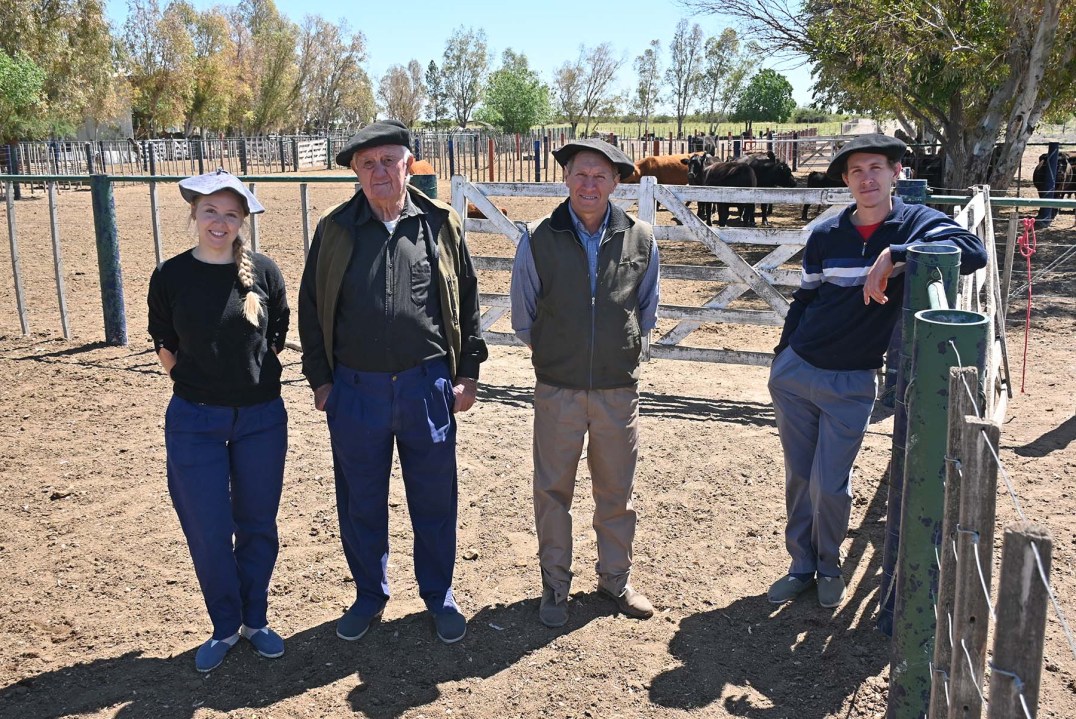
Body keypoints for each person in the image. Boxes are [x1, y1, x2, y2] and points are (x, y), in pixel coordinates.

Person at [766, 134, 987, 608]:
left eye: (876, 169)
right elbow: (805, 298)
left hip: (851, 380)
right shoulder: (826, 235)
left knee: (831, 483)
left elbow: (972, 250)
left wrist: (897, 254)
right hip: (797, 372)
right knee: (799, 478)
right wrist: (782, 355)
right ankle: (801, 564)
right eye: (856, 172)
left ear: (895, 174)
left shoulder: (915, 221)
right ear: (846, 181)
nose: (866, 179)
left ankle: (829, 564)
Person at [298, 120, 488, 645]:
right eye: (367, 164)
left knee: (434, 498)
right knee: (361, 499)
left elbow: (467, 300)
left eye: (389, 160)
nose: (379, 171)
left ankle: (438, 595)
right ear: (355, 173)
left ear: (409, 163)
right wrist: (321, 381)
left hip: (427, 387)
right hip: (355, 391)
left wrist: (467, 372)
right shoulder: (335, 230)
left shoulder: (441, 223)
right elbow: (311, 309)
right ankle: (369, 594)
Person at [510, 139, 660, 628]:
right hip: (559, 387)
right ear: (566, 179)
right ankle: (555, 584)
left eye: (600, 176)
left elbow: (646, 310)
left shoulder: (641, 237)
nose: (589, 184)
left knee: (617, 490)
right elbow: (523, 316)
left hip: (618, 388)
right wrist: (560, 355)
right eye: (580, 174)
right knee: (553, 490)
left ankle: (615, 579)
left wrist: (617, 352)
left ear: (616, 182)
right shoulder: (536, 237)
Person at [147, 169, 290, 672]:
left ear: (242, 220)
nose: (219, 222)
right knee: (208, 529)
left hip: (261, 419)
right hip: (195, 420)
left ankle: (256, 619)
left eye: (231, 214)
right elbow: (162, 336)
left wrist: (246, 380)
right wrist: (190, 377)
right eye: (211, 211)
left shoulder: (265, 273)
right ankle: (225, 625)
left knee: (257, 523)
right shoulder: (170, 275)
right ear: (194, 213)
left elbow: (277, 335)